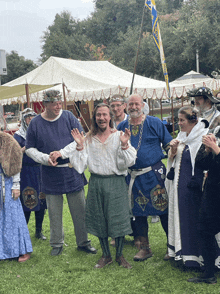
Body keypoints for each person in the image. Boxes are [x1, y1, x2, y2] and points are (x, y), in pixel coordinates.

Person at [51, 103, 137, 268]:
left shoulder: (119, 135)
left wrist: (125, 144)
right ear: (94, 118)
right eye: (98, 115)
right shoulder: (88, 139)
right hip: (96, 182)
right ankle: (106, 255)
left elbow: (129, 161)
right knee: (100, 219)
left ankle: (119, 256)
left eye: (105, 115)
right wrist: (79, 146)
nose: (102, 118)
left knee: (117, 219)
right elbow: (80, 166)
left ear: (110, 116)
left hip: (116, 182)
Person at [25, 90, 96, 256]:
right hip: (49, 173)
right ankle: (56, 243)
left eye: (59, 102)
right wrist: (45, 158)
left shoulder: (68, 117)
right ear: (45, 104)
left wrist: (61, 153)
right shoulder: (35, 123)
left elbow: (80, 138)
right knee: (54, 212)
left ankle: (83, 242)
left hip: (71, 170)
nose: (58, 106)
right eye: (54, 103)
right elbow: (29, 148)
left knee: (79, 209)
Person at [117, 94, 172, 261]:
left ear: (142, 105)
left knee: (163, 210)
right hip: (133, 176)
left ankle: (172, 247)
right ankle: (144, 248)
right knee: (138, 213)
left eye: (137, 104)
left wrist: (173, 153)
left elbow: (168, 143)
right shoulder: (121, 125)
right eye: (131, 104)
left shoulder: (154, 122)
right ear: (126, 107)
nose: (134, 107)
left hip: (154, 174)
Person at [165, 106, 209, 267]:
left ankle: (200, 257)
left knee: (196, 220)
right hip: (180, 187)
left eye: (182, 120)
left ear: (192, 120)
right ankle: (183, 254)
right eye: (178, 120)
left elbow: (206, 163)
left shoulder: (203, 136)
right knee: (182, 220)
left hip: (195, 187)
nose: (179, 124)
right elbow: (174, 161)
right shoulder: (182, 136)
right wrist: (173, 151)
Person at [187, 130, 220, 284]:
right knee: (204, 230)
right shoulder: (218, 131)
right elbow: (201, 164)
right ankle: (209, 273)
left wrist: (215, 148)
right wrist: (207, 150)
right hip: (213, 192)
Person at [14, 108, 47, 240]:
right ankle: (24, 232)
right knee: (27, 200)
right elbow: (14, 155)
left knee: (41, 200)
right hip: (26, 172)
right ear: (23, 120)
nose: (31, 120)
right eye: (28, 118)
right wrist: (24, 149)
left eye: (33, 117)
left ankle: (38, 231)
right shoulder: (18, 136)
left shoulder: (39, 133)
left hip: (39, 170)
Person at [0, 131, 32, 262]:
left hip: (7, 185)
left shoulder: (8, 141)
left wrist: (16, 185)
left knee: (13, 218)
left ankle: (20, 249)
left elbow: (16, 162)